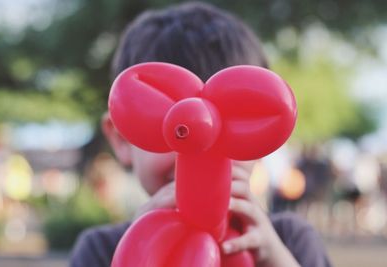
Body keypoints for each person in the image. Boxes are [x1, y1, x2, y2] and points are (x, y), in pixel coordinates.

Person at [70, 2, 332, 267]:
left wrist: (275, 258)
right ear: (124, 138)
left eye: (228, 125)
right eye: (176, 129)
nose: (201, 152)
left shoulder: (291, 239)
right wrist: (137, 249)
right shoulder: (101, 250)